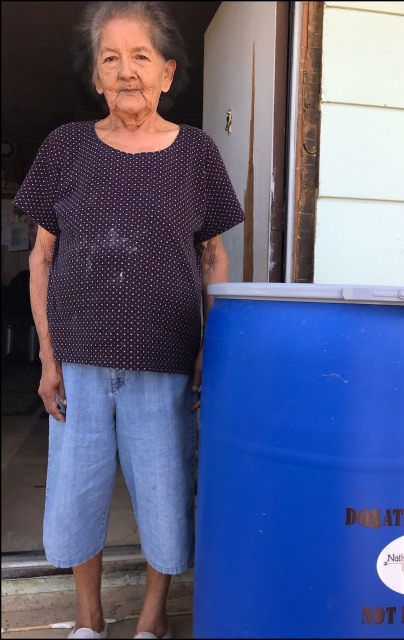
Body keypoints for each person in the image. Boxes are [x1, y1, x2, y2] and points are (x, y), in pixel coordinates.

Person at [13, 2, 245, 639]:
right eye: (109, 58)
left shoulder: (196, 154)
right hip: (80, 365)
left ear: (168, 72)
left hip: (165, 363)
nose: (125, 71)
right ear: (95, 76)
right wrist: (47, 357)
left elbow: (214, 255)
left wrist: (212, 349)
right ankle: (88, 616)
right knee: (76, 496)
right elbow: (41, 256)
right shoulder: (65, 147)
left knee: (166, 501)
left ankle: (152, 618)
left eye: (140, 55)